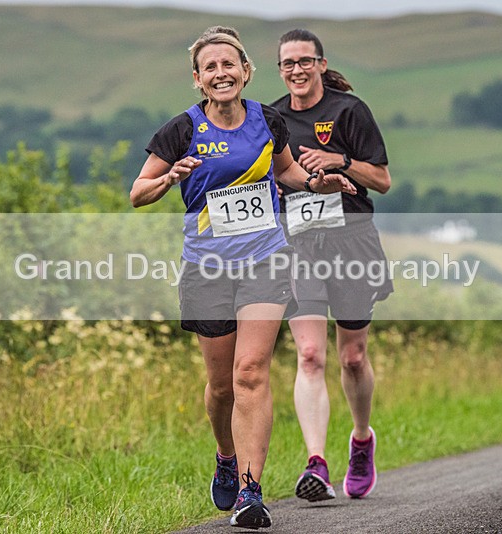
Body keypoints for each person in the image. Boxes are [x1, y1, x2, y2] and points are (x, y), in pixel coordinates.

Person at [129, 26, 356, 529]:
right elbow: (137, 192)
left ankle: (251, 491)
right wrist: (168, 179)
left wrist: (318, 182)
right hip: (207, 268)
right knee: (221, 388)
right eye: (210, 67)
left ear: (246, 71)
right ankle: (226, 456)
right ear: (198, 79)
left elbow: (287, 174)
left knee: (250, 372)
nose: (221, 73)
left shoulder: (267, 120)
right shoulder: (181, 130)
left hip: (265, 259)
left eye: (228, 64)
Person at [270, 28, 393, 501]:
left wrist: (339, 160)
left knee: (352, 357)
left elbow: (382, 180)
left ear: (321, 64)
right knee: (309, 355)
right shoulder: (272, 118)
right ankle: (316, 463)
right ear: (280, 70)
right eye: (288, 64)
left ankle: (361, 440)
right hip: (298, 244)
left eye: (305, 61)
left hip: (352, 242)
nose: (297, 70)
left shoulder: (349, 111)